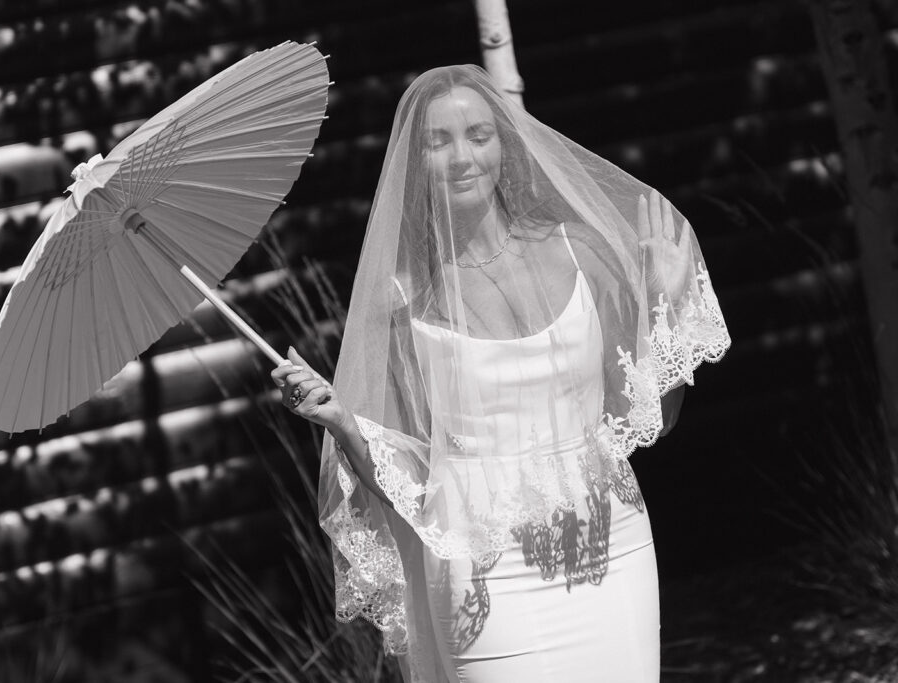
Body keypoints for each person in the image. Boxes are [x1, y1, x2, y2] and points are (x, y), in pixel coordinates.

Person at [271, 65, 730, 683]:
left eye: (479, 135)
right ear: (417, 162)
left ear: (506, 146)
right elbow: (410, 486)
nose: (463, 157)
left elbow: (653, 419)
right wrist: (339, 420)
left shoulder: (583, 253)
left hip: (613, 551)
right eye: (439, 142)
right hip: (486, 576)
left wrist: (662, 305)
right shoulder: (407, 311)